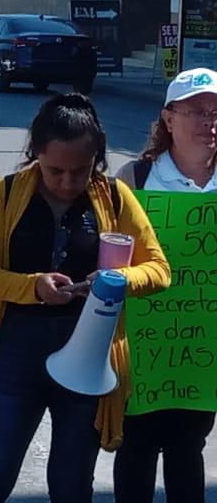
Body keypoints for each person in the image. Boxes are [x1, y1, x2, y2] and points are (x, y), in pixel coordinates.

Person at [0, 93, 170, 503]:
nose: (69, 182)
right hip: (16, 353)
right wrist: (32, 286)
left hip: (87, 356)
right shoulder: (5, 194)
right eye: (56, 171)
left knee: (71, 486)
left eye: (81, 171)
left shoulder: (116, 197)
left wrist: (119, 280)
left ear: (98, 160)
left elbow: (159, 269)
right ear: (35, 153)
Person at [112, 67, 217, 503]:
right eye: (195, 110)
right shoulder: (135, 180)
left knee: (188, 445)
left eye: (215, 111)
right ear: (169, 119)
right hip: (144, 345)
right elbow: (111, 261)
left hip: (202, 350)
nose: (208, 120)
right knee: (136, 444)